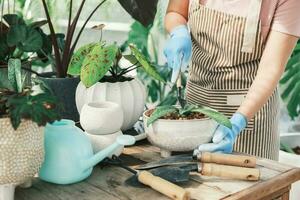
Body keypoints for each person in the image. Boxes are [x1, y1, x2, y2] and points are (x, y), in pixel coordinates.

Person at [164, 0, 300, 160]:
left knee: (250, 183)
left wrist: (237, 124)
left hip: (249, 119)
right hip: (195, 111)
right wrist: (178, 31)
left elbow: (271, 69)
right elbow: (176, 12)